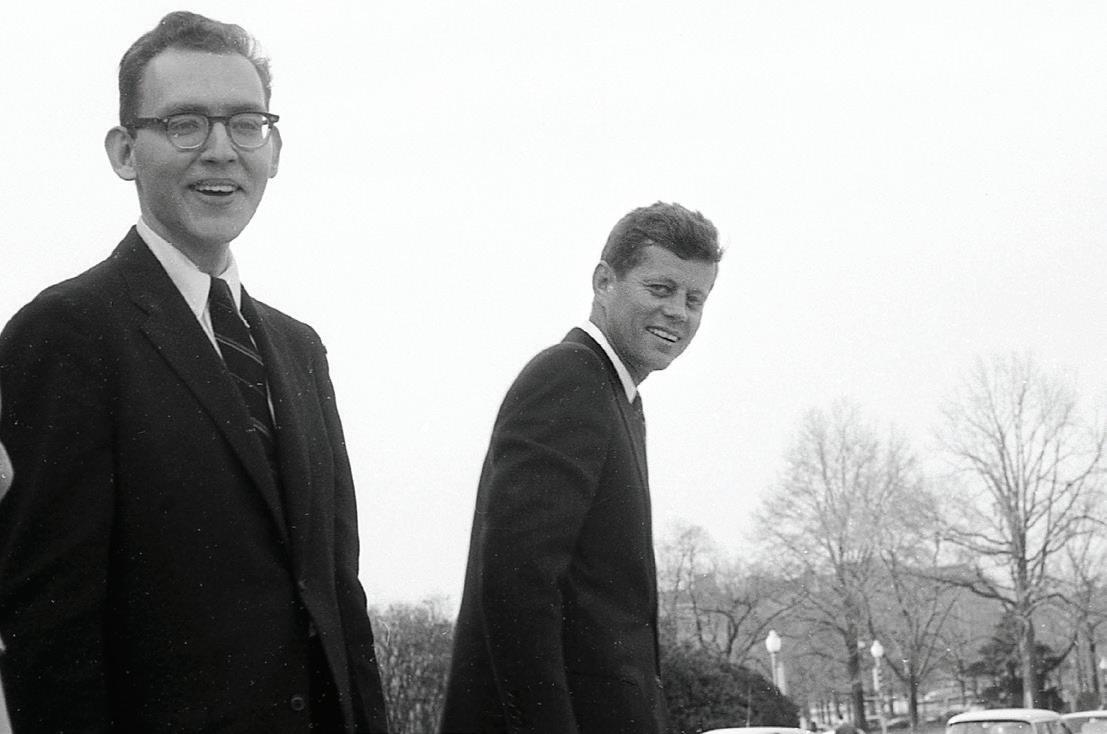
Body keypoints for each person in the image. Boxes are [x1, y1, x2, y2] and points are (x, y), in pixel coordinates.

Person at [0, 11, 388, 732]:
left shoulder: (299, 349)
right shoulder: (65, 335)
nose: (220, 150)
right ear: (125, 151)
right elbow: (49, 637)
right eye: (185, 124)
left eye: (246, 124)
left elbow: (339, 601)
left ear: (273, 149)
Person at [440, 202, 723, 733]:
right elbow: (516, 588)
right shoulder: (570, 378)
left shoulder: (615, 396)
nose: (678, 313)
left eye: (695, 299)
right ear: (603, 281)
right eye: (660, 289)